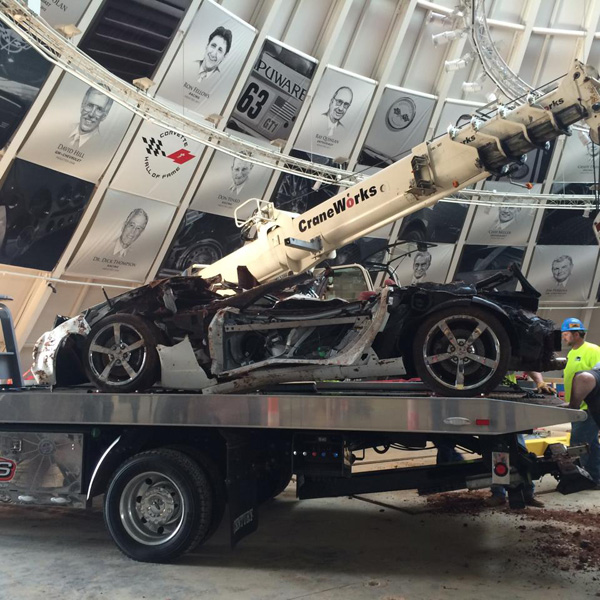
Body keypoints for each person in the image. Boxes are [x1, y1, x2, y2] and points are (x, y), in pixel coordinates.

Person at [561, 318, 600, 486]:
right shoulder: (571, 353)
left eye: (566, 334)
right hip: (576, 408)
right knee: (590, 443)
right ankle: (595, 476)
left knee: (578, 443)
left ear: (577, 334)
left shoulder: (592, 350)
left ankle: (585, 477)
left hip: (588, 409)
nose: (563, 338)